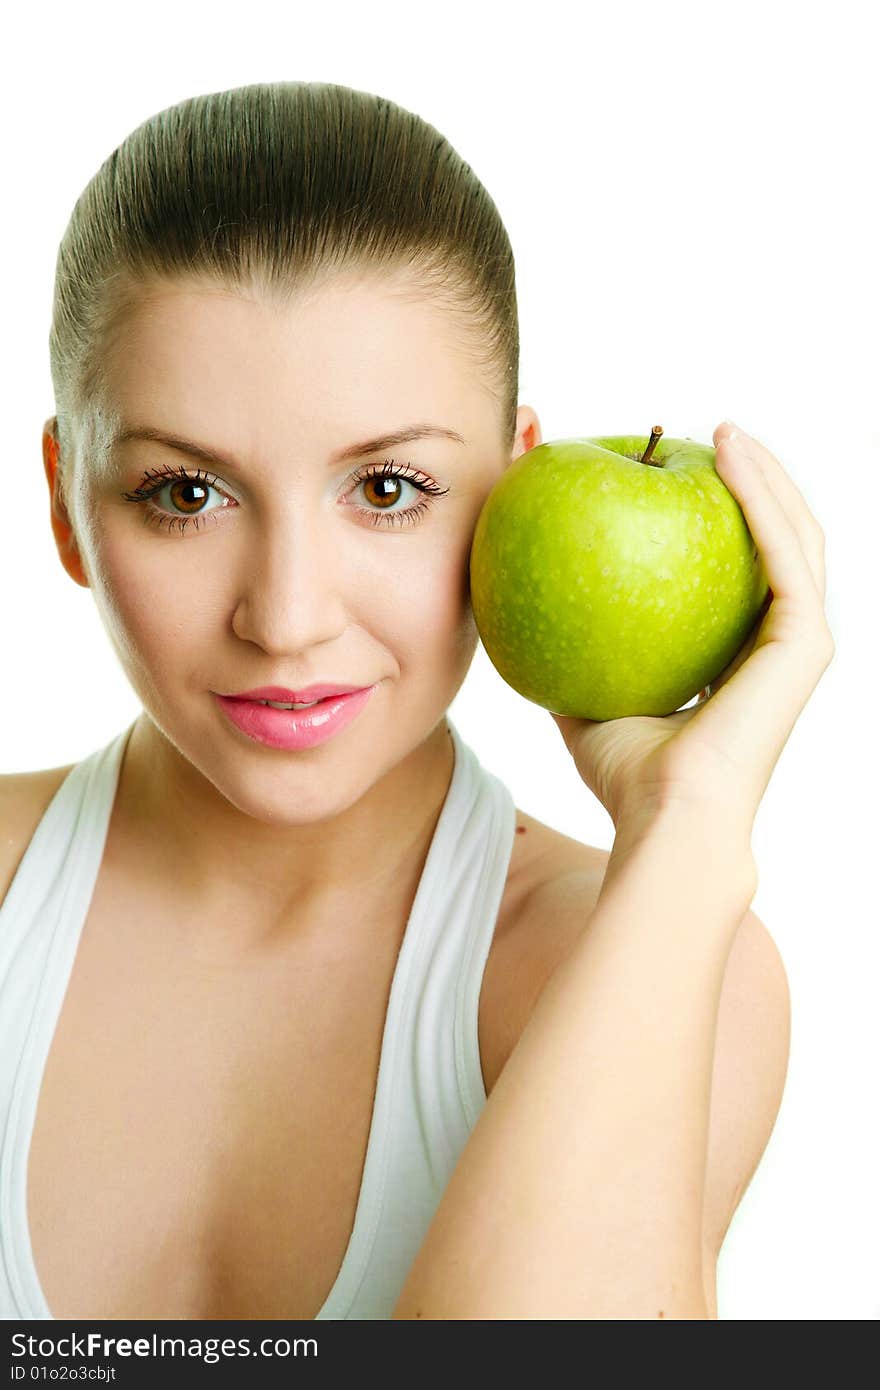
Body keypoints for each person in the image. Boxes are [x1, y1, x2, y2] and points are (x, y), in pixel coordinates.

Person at [0, 81, 833, 1322]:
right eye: (185, 493)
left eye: (387, 489)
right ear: (68, 501)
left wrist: (690, 833)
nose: (285, 618)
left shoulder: (643, 958)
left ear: (510, 487)